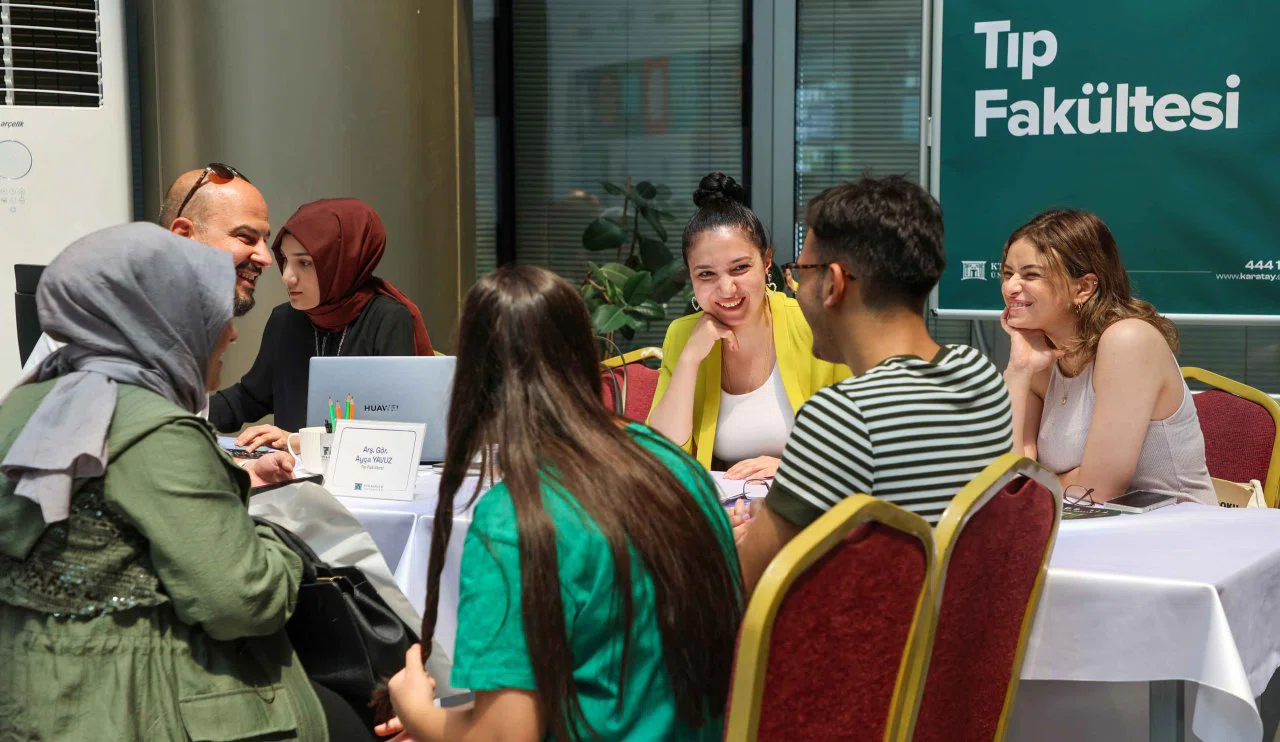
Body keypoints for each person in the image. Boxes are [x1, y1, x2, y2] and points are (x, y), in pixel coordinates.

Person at [0, 223, 375, 740]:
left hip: (33, 694)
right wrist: (284, 544)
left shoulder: (28, 404)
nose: (232, 333)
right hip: (136, 703)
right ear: (163, 319)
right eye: (214, 314)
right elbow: (243, 600)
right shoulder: (156, 430)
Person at [377, 266, 742, 741]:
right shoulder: (678, 469)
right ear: (586, 355)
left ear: (473, 378)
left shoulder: (518, 518)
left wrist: (419, 709)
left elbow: (506, 738)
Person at [732, 176, 1013, 594]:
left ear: (833, 283)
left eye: (799, 273)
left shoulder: (844, 415)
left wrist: (741, 542)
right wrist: (774, 516)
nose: (795, 289)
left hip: (857, 655)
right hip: (947, 647)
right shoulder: (981, 376)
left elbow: (742, 582)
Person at [5, 163, 295, 487]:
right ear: (184, 235)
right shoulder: (106, 333)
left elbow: (164, 460)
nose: (266, 258)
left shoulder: (184, 330)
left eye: (265, 241)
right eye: (246, 237)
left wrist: (239, 471)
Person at [999, 209, 1216, 505]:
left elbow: (1098, 491)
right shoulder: (1041, 358)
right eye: (1008, 273)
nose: (1010, 287)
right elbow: (1005, 481)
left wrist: (1035, 482)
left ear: (1084, 287)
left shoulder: (1128, 340)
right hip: (1083, 527)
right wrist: (1018, 370)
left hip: (1176, 534)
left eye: (1030, 275)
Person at [647, 172, 850, 480]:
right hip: (730, 504)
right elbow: (660, 452)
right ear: (690, 277)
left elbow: (859, 439)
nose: (726, 289)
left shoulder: (814, 325)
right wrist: (689, 360)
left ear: (767, 262)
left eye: (740, 268)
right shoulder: (683, 334)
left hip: (810, 500)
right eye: (706, 275)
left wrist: (792, 468)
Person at [210, 198, 435, 448]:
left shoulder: (387, 318)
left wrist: (298, 441)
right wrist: (181, 412)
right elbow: (249, 398)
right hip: (293, 476)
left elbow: (394, 429)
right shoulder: (285, 320)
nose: (287, 277)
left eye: (304, 263)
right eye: (285, 260)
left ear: (342, 263)